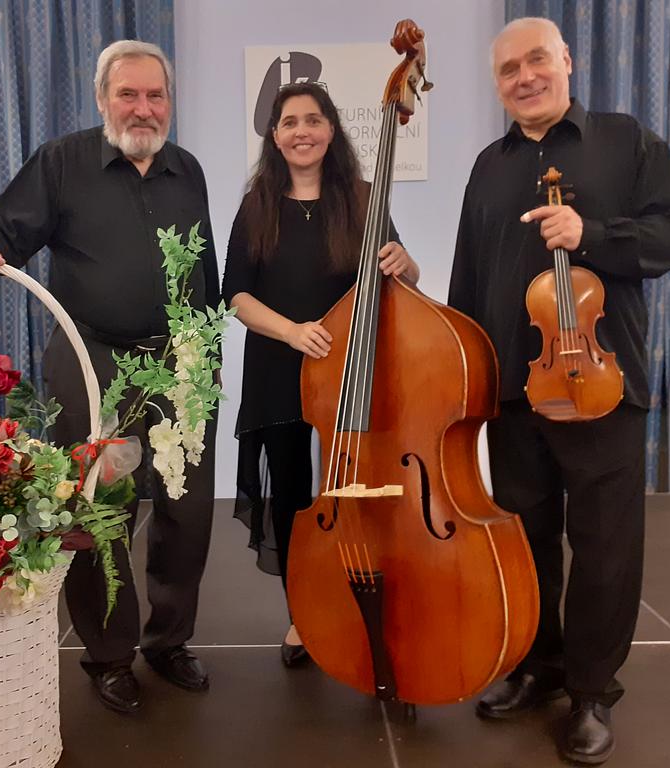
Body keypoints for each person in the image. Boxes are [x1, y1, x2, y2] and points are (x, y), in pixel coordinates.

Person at [0, 40, 219, 716]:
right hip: (93, 361)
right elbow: (3, 228)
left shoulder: (187, 169)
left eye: (155, 95)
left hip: (180, 364)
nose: (143, 108)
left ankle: (169, 640)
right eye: (128, 94)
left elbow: (203, 271)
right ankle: (110, 654)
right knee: (100, 509)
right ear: (102, 100)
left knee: (186, 510)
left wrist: (207, 362)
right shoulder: (62, 162)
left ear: (170, 102)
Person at [448, 17, 670, 765]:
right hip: (515, 389)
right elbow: (469, 274)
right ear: (497, 84)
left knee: (604, 545)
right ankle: (539, 665)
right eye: (508, 69)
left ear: (566, 61)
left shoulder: (627, 141)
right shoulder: (489, 165)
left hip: (600, 383)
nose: (524, 77)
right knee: (525, 540)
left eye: (536, 61)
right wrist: (468, 376)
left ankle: (591, 691)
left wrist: (590, 234)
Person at [222, 82, 418, 667]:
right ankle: (302, 614)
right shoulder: (257, 204)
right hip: (281, 365)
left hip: (354, 369)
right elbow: (236, 295)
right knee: (292, 495)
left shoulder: (362, 198)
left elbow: (399, 283)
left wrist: (407, 264)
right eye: (289, 122)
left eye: (313, 120)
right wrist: (291, 332)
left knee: (360, 488)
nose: (301, 131)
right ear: (275, 135)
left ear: (331, 130)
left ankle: (368, 601)